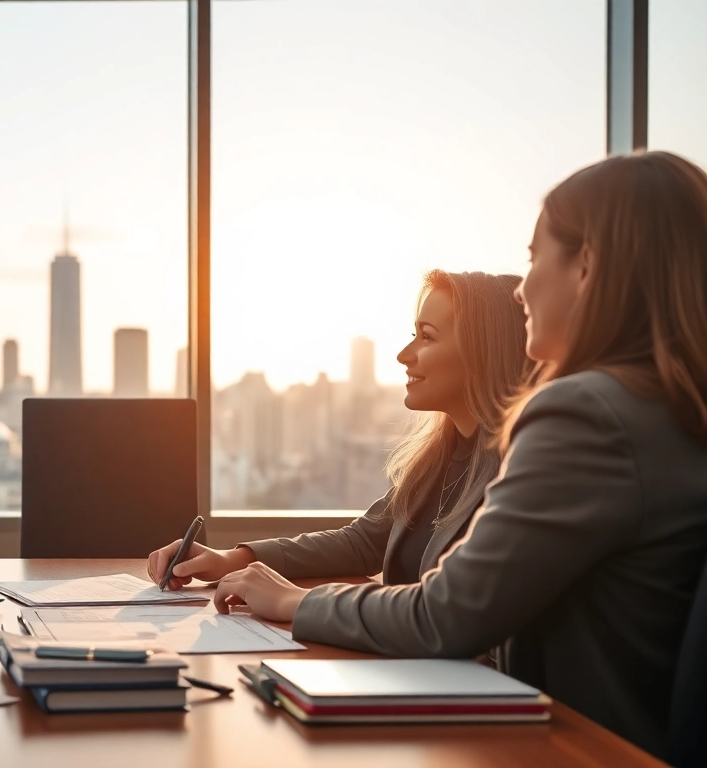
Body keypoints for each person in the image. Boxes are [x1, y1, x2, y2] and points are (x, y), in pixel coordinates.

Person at [208, 151, 707, 758]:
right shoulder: (667, 410)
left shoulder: (586, 413)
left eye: (532, 259)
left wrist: (294, 600)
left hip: (573, 747)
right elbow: (375, 543)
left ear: (586, 268)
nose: (521, 290)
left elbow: (447, 616)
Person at [148, 270, 530, 589]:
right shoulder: (438, 459)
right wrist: (233, 559)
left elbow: (440, 610)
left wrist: (296, 601)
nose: (403, 355)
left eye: (427, 336)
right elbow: (363, 542)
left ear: (483, 352)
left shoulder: (519, 471)